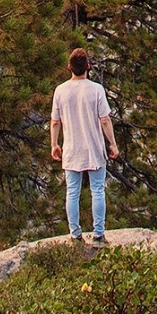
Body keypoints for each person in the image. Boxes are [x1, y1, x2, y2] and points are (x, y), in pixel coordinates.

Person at [50, 46, 118, 244]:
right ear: (88, 66)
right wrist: (112, 144)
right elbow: (105, 119)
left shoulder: (60, 90)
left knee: (72, 191)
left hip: (71, 148)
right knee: (98, 190)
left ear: (69, 67)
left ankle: (75, 234)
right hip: (94, 148)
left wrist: (54, 144)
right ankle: (98, 233)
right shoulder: (96, 90)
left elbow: (55, 121)